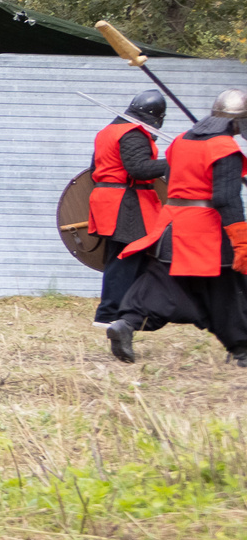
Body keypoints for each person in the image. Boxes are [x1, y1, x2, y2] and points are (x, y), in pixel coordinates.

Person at [104, 89, 247, 366]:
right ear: (239, 121)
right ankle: (241, 350)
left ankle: (127, 322)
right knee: (230, 288)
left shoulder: (182, 140)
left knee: (161, 282)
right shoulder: (225, 149)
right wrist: (241, 241)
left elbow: (175, 174)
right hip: (207, 231)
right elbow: (226, 199)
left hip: (171, 227)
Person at [89, 91, 170, 332]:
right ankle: (108, 315)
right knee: (125, 258)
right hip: (126, 202)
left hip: (111, 199)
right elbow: (139, 169)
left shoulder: (109, 131)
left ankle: (129, 312)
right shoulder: (132, 133)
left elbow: (94, 168)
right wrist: (176, 160)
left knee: (127, 258)